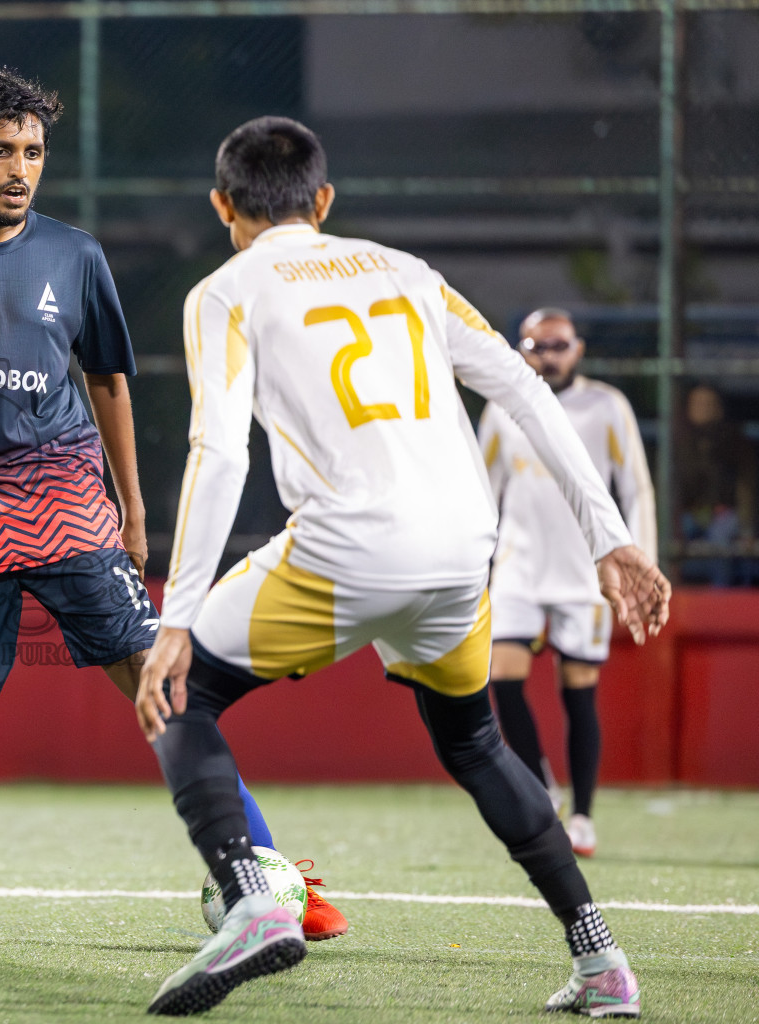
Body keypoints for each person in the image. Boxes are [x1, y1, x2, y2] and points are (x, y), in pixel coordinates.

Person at [134, 116, 669, 1016]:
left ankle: (252, 896)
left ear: (223, 204)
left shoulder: (225, 291)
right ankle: (601, 961)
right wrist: (611, 537)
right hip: (465, 550)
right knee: (477, 743)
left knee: (178, 694)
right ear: (326, 200)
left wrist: (177, 616)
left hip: (349, 545)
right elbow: (524, 390)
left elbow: (218, 454)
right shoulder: (407, 271)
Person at [0, 71, 345, 945]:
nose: (19, 169)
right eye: (0, 152)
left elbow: (107, 381)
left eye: (32, 152)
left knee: (161, 686)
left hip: (66, 505)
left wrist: (133, 507)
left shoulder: (75, 254)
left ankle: (267, 872)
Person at [477, 308, 658, 858]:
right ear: (520, 350)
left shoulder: (607, 406)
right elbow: (485, 489)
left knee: (579, 689)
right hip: (519, 565)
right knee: (502, 679)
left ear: (577, 348)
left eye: (557, 345)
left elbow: (637, 488)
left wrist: (639, 562)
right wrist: (474, 565)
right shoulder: (504, 405)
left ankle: (582, 816)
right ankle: (542, 785)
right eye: (535, 345)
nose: (547, 355)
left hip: (587, 570)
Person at [674, 383, 757, 586]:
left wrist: (747, 530)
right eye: (698, 404)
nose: (703, 409)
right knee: (676, 531)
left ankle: (718, 596)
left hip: (725, 514)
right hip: (690, 513)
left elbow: (747, 488)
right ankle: (670, 589)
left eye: (709, 404)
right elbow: (672, 490)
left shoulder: (738, 443)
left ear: (720, 409)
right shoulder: (678, 445)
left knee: (720, 536)